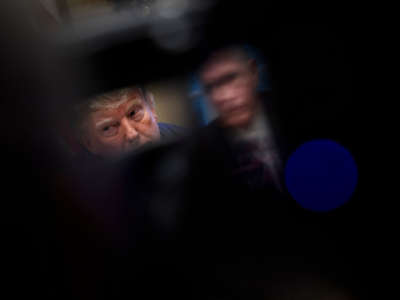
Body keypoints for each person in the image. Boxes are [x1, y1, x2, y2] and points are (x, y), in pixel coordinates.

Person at [72, 86, 183, 158]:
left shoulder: (185, 141)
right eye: (108, 128)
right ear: (89, 143)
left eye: (133, 113)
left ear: (151, 107)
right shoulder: (79, 187)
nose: (132, 135)